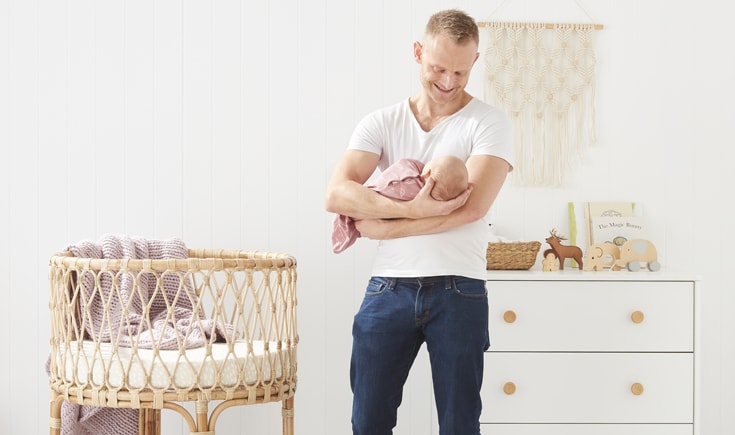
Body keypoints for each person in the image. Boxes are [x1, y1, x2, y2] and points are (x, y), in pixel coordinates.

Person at [324, 8, 514, 435]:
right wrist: (414, 209)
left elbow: (472, 208)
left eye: (461, 72)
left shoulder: (489, 123)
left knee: (459, 424)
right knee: (368, 420)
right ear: (417, 53)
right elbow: (336, 194)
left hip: (459, 288)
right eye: (438, 68)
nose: (448, 81)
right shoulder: (382, 122)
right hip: (388, 286)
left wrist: (377, 225)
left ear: (475, 63)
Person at [331, 155, 469, 253]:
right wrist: (411, 210)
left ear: (427, 173)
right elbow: (333, 199)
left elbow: (389, 183)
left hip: (391, 266)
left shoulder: (410, 177)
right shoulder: (438, 208)